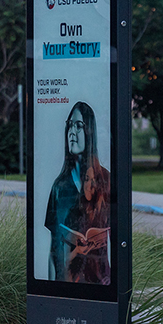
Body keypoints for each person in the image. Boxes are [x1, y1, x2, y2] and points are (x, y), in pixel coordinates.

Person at [45, 102, 110, 284]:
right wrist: (51, 290)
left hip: (99, 282)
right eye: (70, 125)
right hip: (67, 281)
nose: (72, 132)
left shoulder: (105, 179)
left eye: (79, 126)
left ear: (90, 131)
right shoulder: (60, 186)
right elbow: (53, 248)